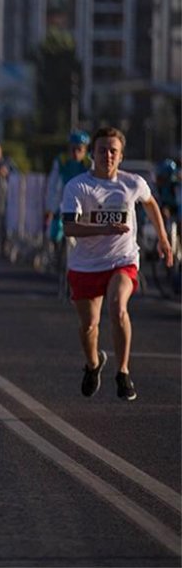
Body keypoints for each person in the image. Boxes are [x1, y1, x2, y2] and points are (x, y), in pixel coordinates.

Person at [62, 127, 173, 401]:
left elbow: (150, 204)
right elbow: (69, 228)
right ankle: (93, 364)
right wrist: (104, 229)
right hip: (86, 264)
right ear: (93, 154)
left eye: (113, 151)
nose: (107, 156)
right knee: (89, 327)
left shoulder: (133, 183)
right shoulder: (78, 186)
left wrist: (163, 239)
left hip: (121, 260)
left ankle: (123, 372)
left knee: (118, 307)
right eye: (102, 150)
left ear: (121, 156)